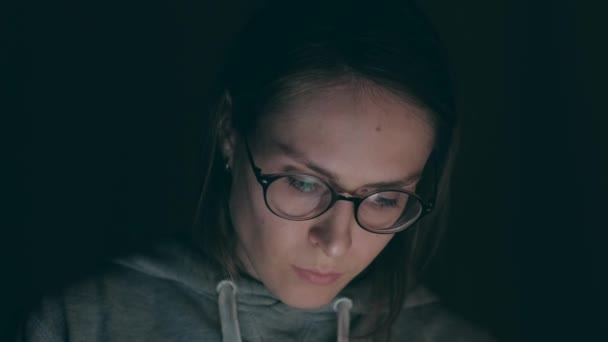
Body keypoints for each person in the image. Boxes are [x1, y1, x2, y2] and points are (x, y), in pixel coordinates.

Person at [17, 1, 496, 341]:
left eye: (385, 199)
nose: (335, 241)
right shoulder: (80, 327)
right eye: (305, 183)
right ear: (229, 131)